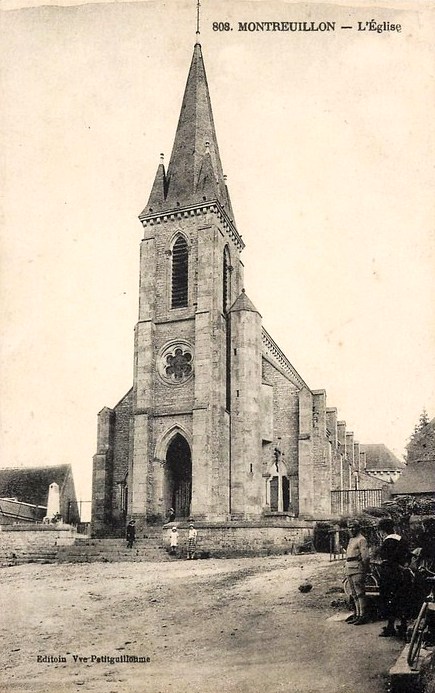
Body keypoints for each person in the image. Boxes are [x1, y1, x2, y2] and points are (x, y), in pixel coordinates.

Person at [377, 517, 411, 638]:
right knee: (402, 599)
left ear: (382, 531)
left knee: (388, 599)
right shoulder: (401, 539)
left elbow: (387, 559)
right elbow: (408, 556)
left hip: (390, 573)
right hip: (403, 573)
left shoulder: (387, 542)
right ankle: (403, 626)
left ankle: (390, 627)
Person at [344, 519, 370, 625]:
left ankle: (363, 615)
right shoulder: (351, 540)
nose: (351, 529)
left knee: (360, 593)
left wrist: (364, 568)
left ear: (358, 527)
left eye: (354, 527)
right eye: (350, 527)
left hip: (357, 568)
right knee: (354, 594)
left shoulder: (361, 540)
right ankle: (357, 615)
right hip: (349, 567)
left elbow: (365, 557)